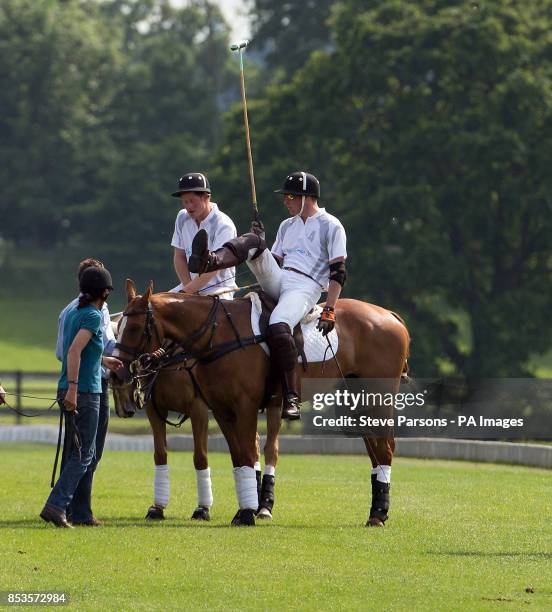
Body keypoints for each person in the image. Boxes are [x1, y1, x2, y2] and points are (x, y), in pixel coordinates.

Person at [189, 171, 347, 420]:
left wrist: (330, 308)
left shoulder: (331, 225)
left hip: (307, 286)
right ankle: (211, 260)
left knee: (278, 323)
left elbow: (338, 272)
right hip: (282, 277)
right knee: (253, 242)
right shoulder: (287, 225)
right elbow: (274, 261)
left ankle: (291, 395)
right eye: (285, 196)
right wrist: (260, 244)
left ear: (307, 198)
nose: (286, 201)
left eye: (290, 196)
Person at [40, 266, 122, 528]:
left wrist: (104, 359)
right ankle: (56, 505)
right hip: (85, 390)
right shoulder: (94, 316)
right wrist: (74, 389)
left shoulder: (74, 312)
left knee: (81, 452)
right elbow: (74, 352)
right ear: (105, 291)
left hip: (77, 386)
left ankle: (69, 508)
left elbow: (80, 351)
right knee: (84, 454)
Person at [170, 172, 237, 297]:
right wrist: (188, 288)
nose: (188, 206)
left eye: (192, 201)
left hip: (218, 289)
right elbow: (179, 256)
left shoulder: (223, 225)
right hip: (188, 286)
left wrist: (187, 292)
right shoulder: (181, 217)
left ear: (206, 197)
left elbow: (214, 269)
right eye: (184, 202)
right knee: (153, 308)